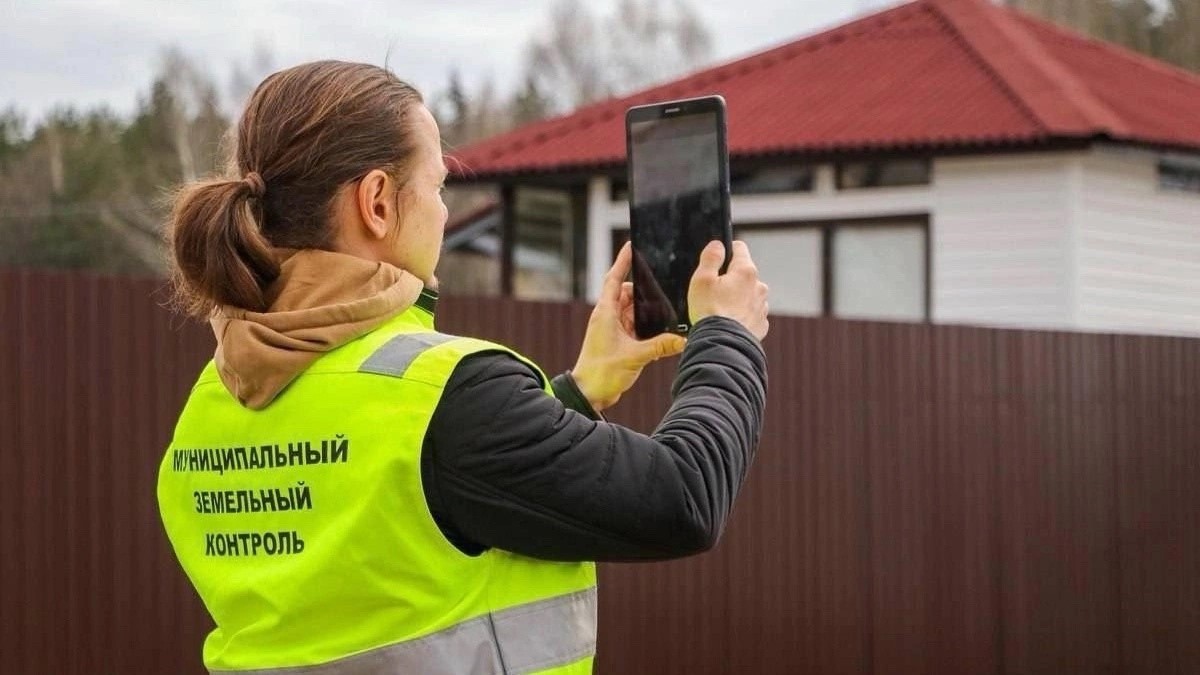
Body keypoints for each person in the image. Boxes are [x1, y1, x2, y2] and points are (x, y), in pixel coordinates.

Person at [157, 60, 769, 675]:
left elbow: (415, 521)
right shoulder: (447, 396)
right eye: (438, 186)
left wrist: (580, 392)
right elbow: (682, 497)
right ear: (376, 203)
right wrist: (728, 335)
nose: (445, 214)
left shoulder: (210, 407)